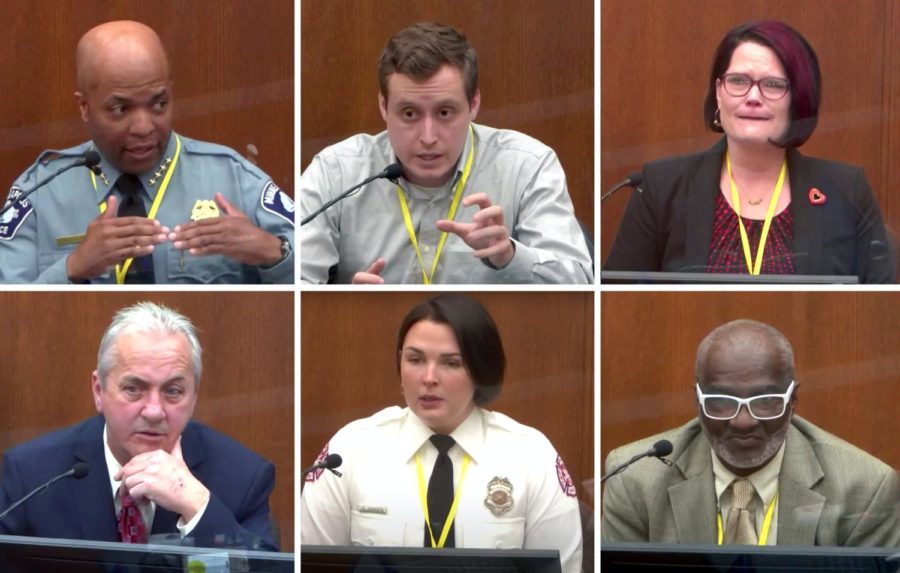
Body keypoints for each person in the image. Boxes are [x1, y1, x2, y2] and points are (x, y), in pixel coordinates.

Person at [300, 295, 582, 572]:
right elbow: (314, 564)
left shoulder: (531, 455)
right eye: (415, 359)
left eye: (451, 363)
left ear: (481, 370)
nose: (429, 377)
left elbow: (563, 567)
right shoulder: (350, 450)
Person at [0, 20, 294, 284]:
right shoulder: (38, 194)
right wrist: (71, 268)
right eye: (120, 109)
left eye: (158, 104)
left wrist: (271, 250)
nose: (143, 127)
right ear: (84, 107)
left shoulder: (233, 179)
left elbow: (310, 272)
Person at [603, 20, 895, 283]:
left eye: (772, 85)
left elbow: (883, 299)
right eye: (739, 81)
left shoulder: (845, 190)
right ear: (719, 91)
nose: (753, 97)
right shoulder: (662, 186)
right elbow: (617, 293)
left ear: (797, 100)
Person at [300, 22, 592, 284]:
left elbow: (581, 282)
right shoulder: (336, 172)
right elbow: (294, 284)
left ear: (473, 104)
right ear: (383, 107)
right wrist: (338, 305)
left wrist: (510, 256)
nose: (428, 137)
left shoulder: (528, 166)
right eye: (410, 113)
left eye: (444, 112)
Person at [0, 302, 278, 550]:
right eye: (133, 389)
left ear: (194, 397)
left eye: (173, 391)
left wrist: (197, 507)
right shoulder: (31, 475)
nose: (154, 411)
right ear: (99, 391)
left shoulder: (243, 477)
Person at [602, 319, 900, 546]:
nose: (743, 421)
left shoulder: (863, 489)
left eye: (764, 401)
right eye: (722, 402)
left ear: (793, 401)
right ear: (698, 401)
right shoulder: (635, 481)